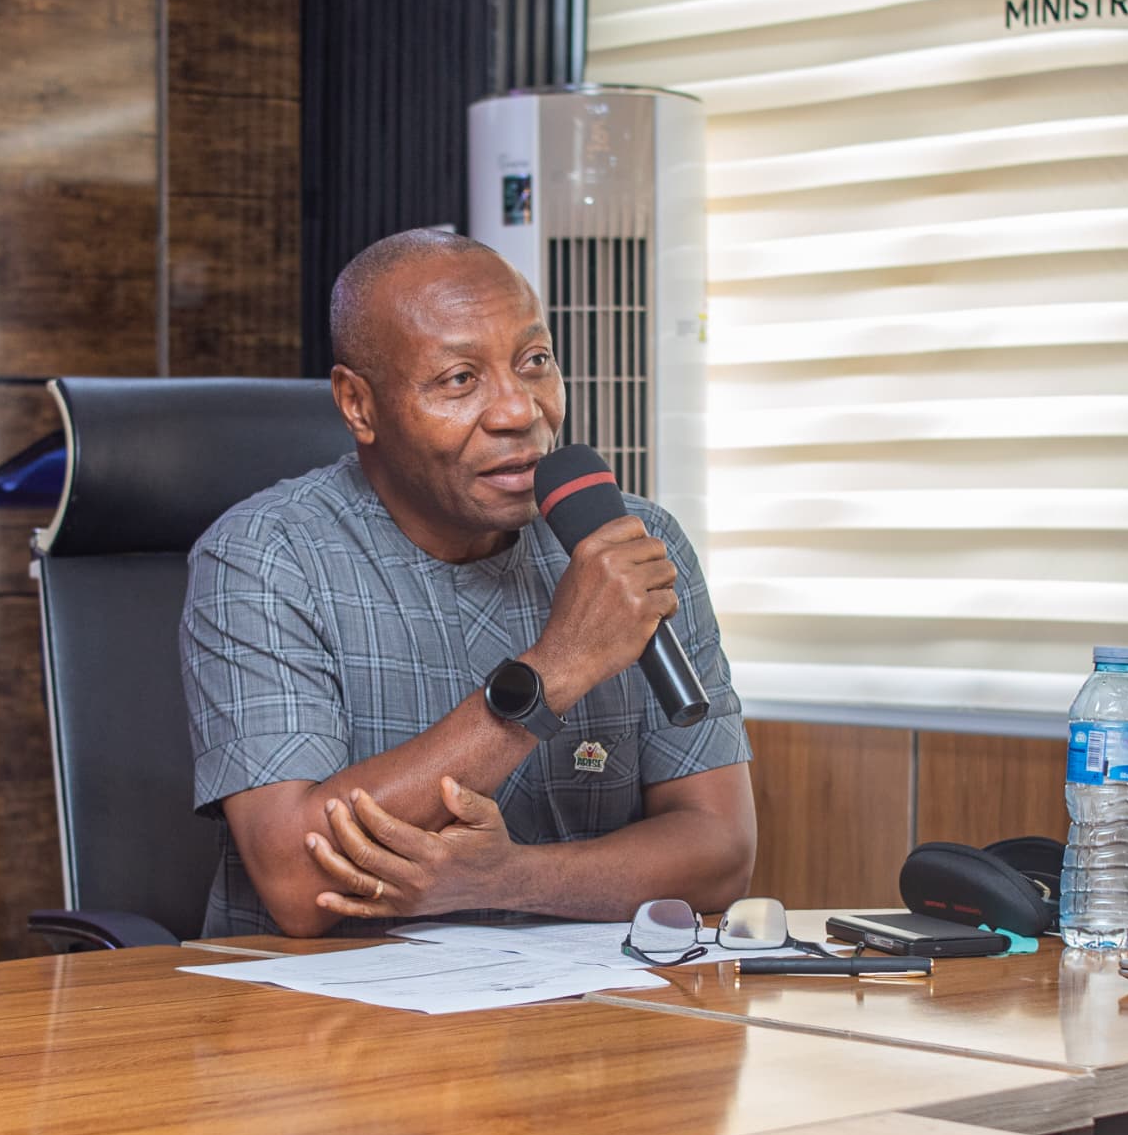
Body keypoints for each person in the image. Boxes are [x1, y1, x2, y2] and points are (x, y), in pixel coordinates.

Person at [181, 228, 755, 938]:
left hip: (577, 1000)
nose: (520, 411)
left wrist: (509, 878)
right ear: (359, 404)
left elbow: (721, 854)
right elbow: (298, 881)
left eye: (535, 362)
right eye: (459, 379)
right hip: (322, 1000)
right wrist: (557, 668)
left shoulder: (631, 544)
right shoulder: (266, 556)